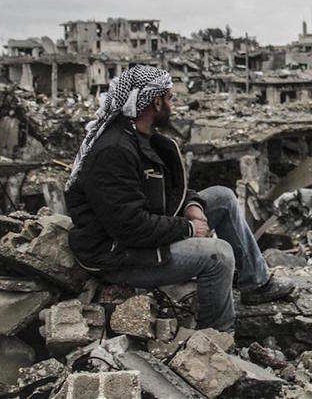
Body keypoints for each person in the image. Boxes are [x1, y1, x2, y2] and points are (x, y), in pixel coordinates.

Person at [65, 65, 294, 332]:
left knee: (223, 197)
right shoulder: (114, 151)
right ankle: (217, 336)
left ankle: (255, 283)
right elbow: (129, 227)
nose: (174, 105)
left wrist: (192, 205)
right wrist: (187, 228)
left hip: (141, 236)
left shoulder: (143, 138)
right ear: (156, 101)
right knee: (218, 255)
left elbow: (170, 191)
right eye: (170, 98)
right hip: (118, 256)